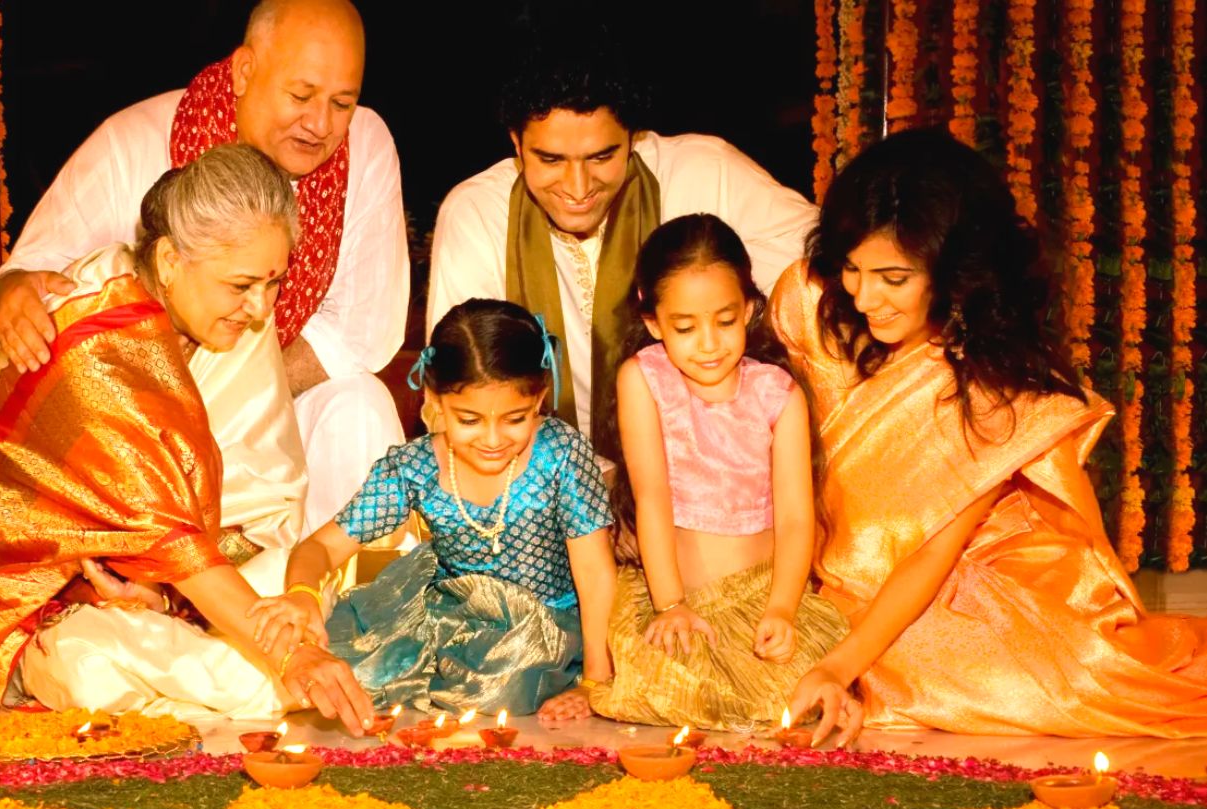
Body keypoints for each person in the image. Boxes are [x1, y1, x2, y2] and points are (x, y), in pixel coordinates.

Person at [772, 127, 1207, 739]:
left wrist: (840, 663)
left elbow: (931, 552)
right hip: (832, 565)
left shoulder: (993, 376)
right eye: (854, 270)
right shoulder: (809, 301)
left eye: (894, 279)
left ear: (956, 269)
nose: (864, 298)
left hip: (957, 572)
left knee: (968, 673)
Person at [0, 0, 408, 530]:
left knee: (360, 406)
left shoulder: (364, 145)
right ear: (245, 70)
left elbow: (360, 333)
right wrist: (12, 296)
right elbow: (36, 274)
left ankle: (361, 593)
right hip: (138, 424)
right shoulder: (132, 142)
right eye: (300, 96)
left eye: (342, 103)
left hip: (280, 401)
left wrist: (240, 397)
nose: (320, 124)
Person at [0, 144, 308, 721]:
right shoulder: (99, 350)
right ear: (168, 262)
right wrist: (292, 656)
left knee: (305, 573)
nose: (260, 308)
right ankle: (258, 675)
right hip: (60, 599)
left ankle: (229, 670)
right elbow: (167, 540)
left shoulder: (229, 314)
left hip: (177, 584)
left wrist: (161, 597)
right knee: (88, 665)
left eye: (274, 282)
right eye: (242, 286)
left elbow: (263, 503)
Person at [249, 300, 619, 730]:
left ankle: (555, 673)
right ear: (434, 401)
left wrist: (595, 683)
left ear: (539, 398)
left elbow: (594, 573)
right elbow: (321, 546)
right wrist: (302, 594)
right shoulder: (415, 467)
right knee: (348, 669)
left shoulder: (560, 454)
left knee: (503, 681)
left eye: (516, 418)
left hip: (550, 623)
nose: (494, 439)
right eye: (470, 420)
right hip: (453, 617)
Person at [426, 50, 817, 454]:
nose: (577, 189)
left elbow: (822, 269)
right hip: (531, 480)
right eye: (550, 159)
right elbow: (454, 385)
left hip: (701, 471)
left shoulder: (705, 173)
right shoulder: (477, 215)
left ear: (634, 137)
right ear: (517, 144)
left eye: (601, 157)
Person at [583, 214, 850, 733]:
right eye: (685, 328)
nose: (708, 344)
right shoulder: (644, 378)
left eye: (725, 321)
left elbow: (797, 519)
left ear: (750, 308)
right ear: (654, 320)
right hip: (675, 596)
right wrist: (671, 604)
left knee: (792, 699)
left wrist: (783, 608)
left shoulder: (779, 393)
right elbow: (653, 497)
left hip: (762, 596)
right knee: (666, 691)